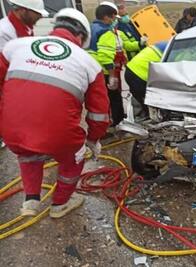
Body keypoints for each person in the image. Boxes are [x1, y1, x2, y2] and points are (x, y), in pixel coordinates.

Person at [0, 8, 110, 218]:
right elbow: (99, 113)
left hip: (11, 130)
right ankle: (60, 204)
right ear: (81, 36)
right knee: (73, 158)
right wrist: (93, 140)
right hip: (59, 134)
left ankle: (31, 198)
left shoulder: (15, 46)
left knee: (27, 151)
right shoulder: (89, 63)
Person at [0, 0, 48, 148]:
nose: (40, 17)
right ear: (23, 10)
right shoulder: (4, 31)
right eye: (37, 13)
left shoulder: (26, 28)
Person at [89, 1, 145, 127]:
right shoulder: (104, 32)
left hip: (94, 70)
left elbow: (125, 45)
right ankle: (117, 122)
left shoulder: (94, 28)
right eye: (114, 17)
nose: (116, 20)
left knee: (102, 98)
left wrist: (140, 43)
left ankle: (110, 121)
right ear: (106, 17)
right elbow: (105, 56)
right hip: (105, 70)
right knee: (112, 97)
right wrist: (112, 75)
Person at [124, 41, 167, 117]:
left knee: (143, 101)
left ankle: (141, 116)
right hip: (139, 76)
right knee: (151, 103)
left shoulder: (166, 43)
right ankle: (149, 119)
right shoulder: (178, 48)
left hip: (131, 70)